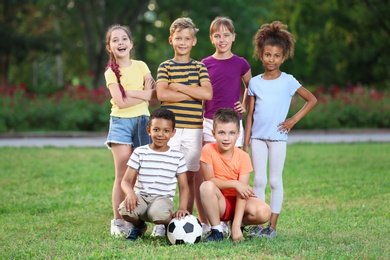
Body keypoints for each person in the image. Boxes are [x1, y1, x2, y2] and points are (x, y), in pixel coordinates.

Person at [244, 21, 318, 239]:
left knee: (275, 181)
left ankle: (272, 227)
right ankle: (258, 222)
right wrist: (244, 142)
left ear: (283, 57)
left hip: (277, 139)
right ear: (261, 54)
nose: (271, 60)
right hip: (257, 138)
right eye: (267, 54)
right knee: (259, 181)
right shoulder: (255, 83)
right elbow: (250, 115)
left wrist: (292, 121)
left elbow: (312, 100)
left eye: (276, 56)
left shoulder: (288, 81)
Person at [154, 17, 213, 237]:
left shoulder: (200, 67)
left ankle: (185, 218)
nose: (182, 42)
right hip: (173, 130)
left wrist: (177, 86)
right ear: (171, 40)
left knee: (188, 175)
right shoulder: (165, 66)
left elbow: (207, 93)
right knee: (167, 174)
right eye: (178, 38)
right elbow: (162, 94)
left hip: (194, 129)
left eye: (187, 38)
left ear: (194, 41)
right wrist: (191, 90)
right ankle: (162, 221)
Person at [197, 16, 252, 235]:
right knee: (208, 173)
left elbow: (250, 86)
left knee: (232, 170)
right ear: (211, 38)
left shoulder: (240, 63)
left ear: (233, 37)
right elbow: (201, 94)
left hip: (233, 124)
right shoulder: (205, 63)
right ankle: (208, 222)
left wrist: (244, 104)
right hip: (210, 121)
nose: (222, 39)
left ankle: (231, 220)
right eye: (217, 35)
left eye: (226, 35)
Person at [104, 24, 156, 236]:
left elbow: (153, 96)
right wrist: (142, 93)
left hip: (143, 122)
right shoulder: (110, 72)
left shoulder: (142, 65)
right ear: (110, 47)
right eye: (115, 40)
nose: (120, 43)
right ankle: (118, 221)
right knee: (123, 175)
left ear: (131, 43)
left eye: (124, 38)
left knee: (141, 174)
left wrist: (131, 92)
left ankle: (140, 219)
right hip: (121, 123)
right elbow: (120, 102)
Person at [200, 108, 271, 242]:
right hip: (220, 202)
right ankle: (216, 231)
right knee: (206, 186)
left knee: (265, 211)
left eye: (231, 133)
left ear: (238, 134)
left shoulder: (243, 157)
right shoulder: (208, 150)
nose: (226, 138)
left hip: (241, 202)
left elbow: (242, 192)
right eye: (221, 133)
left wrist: (237, 226)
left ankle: (237, 225)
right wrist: (234, 183)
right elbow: (210, 180)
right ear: (213, 133)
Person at [118, 108, 190, 241]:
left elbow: (184, 186)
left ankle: (168, 226)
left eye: (166, 131)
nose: (160, 134)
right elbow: (125, 181)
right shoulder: (140, 152)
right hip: (142, 198)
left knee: (157, 214)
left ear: (173, 133)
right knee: (124, 210)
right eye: (156, 129)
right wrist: (130, 193)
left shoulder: (177, 156)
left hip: (162, 199)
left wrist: (182, 207)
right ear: (148, 130)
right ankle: (138, 226)